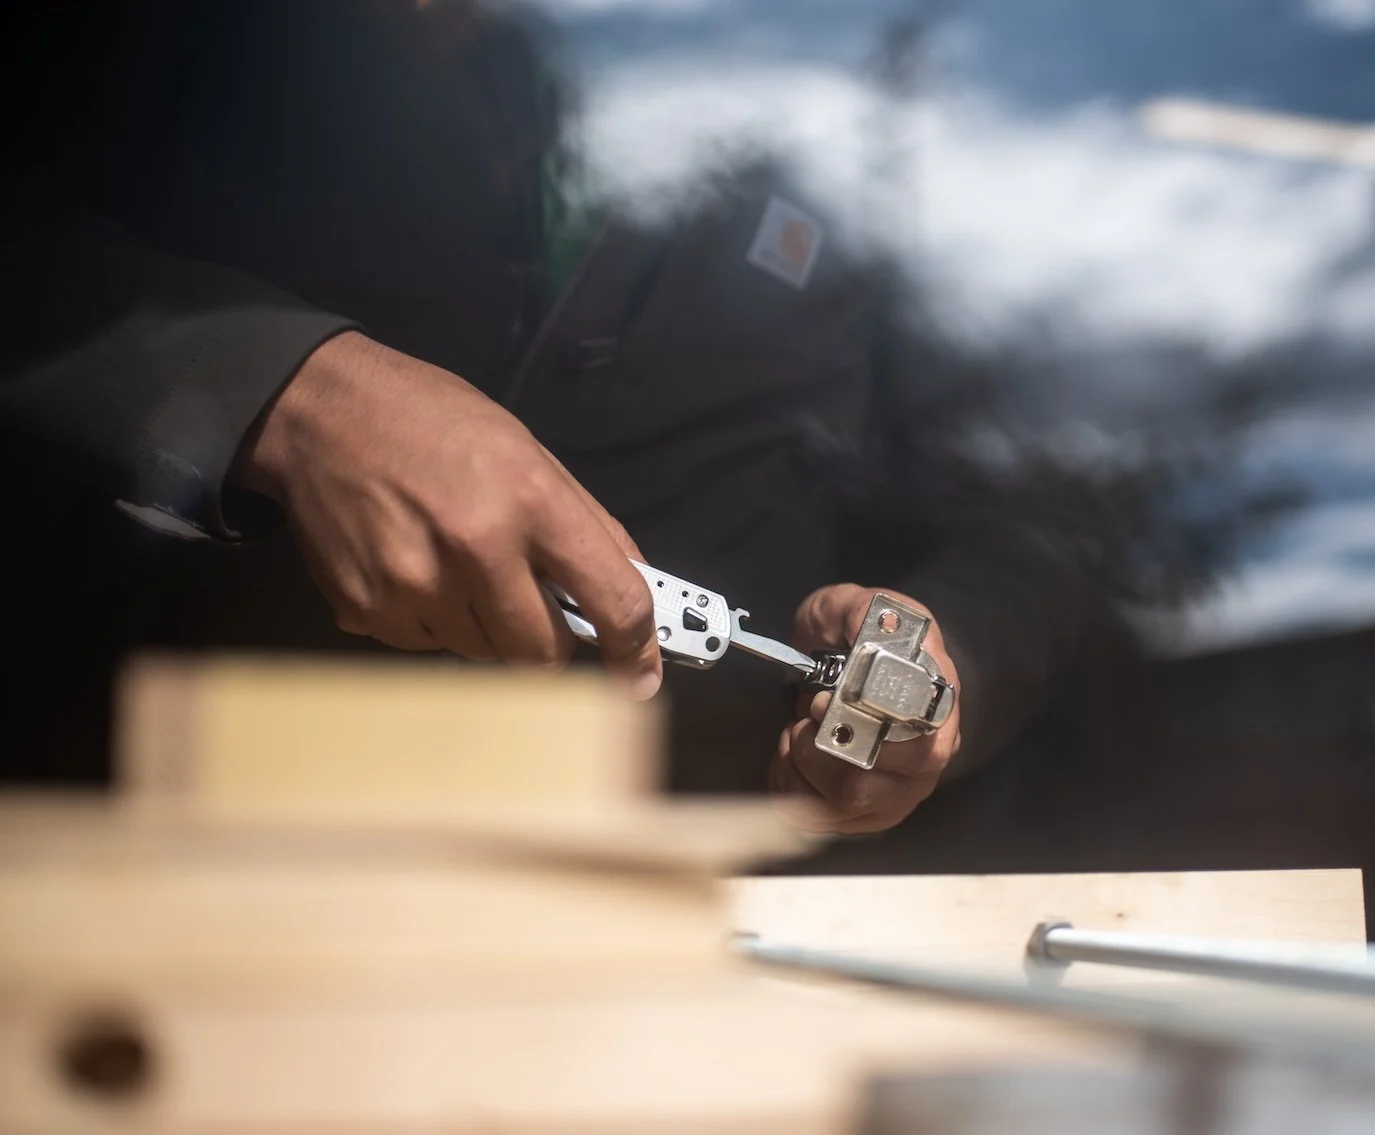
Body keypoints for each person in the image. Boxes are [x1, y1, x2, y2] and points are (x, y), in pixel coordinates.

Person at [1, 0, 1085, 834]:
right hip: (143, 849)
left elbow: (1027, 525)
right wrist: (285, 393)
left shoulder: (876, 106)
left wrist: (944, 676)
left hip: (664, 902)